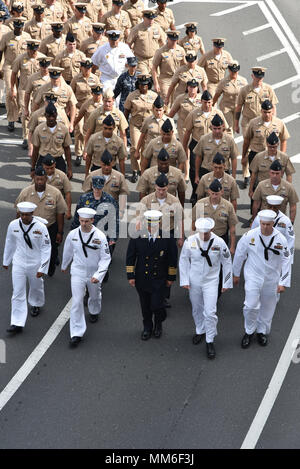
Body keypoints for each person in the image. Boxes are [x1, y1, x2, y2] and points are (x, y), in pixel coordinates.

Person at [233, 209, 290, 348]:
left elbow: (286, 259)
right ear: (260, 222)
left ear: (273, 224)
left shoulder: (280, 239)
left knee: (268, 307)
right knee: (250, 305)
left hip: (272, 278)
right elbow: (240, 254)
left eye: (268, 224)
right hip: (253, 275)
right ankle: (249, 331)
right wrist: (235, 274)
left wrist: (283, 282)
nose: (265, 227)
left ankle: (261, 331)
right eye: (263, 224)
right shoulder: (249, 236)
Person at [179, 217, 233, 359]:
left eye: (206, 233)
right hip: (194, 280)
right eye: (201, 233)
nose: (204, 236)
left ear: (211, 230)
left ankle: (210, 340)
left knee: (210, 312)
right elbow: (183, 260)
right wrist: (184, 280)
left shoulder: (219, 242)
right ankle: (200, 330)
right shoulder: (190, 241)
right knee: (197, 308)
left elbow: (227, 262)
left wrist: (226, 282)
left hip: (211, 281)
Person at [61, 207, 111, 347]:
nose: (83, 224)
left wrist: (99, 275)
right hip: (77, 271)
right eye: (82, 221)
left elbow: (106, 258)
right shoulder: (73, 234)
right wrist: (65, 265)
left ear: (92, 220)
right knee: (76, 301)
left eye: (86, 221)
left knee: (94, 295)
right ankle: (76, 333)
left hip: (93, 272)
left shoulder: (100, 236)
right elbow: (68, 251)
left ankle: (94, 310)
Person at [126, 209, 178, 340]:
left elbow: (172, 259)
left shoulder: (167, 238)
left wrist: (171, 278)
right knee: (145, 305)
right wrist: (130, 276)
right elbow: (130, 257)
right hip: (142, 277)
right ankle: (147, 327)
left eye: (154, 225)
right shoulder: (137, 236)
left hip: (159, 278)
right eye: (149, 225)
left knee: (156, 304)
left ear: (159, 224)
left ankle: (159, 323)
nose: (151, 227)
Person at [3, 201, 51, 334]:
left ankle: (36, 303)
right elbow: (10, 242)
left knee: (36, 286)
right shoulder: (13, 225)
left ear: (32, 214)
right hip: (18, 262)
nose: (24, 217)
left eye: (27, 215)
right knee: (17, 292)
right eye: (22, 214)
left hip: (35, 262)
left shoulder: (40, 227)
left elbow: (46, 247)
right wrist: (6, 261)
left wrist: (43, 268)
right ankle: (17, 323)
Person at [15, 166, 67, 277]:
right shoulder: (25, 192)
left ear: (46, 179)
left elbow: (60, 213)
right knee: (31, 251)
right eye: (37, 179)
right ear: (34, 178)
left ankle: (50, 267)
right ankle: (34, 270)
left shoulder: (55, 193)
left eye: (42, 179)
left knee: (51, 252)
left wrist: (60, 232)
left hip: (50, 228)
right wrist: (17, 229)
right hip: (30, 228)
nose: (39, 182)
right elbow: (19, 212)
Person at [235, 66, 279, 187]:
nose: (259, 80)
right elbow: (238, 107)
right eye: (256, 77)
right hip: (248, 122)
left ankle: (263, 173)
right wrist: (236, 124)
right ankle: (246, 175)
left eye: (261, 78)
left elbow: (273, 106)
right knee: (248, 148)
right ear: (252, 76)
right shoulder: (245, 90)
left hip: (265, 123)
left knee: (264, 147)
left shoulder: (268, 90)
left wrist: (273, 121)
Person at [182, 90, 229, 203]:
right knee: (194, 170)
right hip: (197, 144)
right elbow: (187, 132)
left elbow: (225, 130)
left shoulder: (218, 114)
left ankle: (212, 191)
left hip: (213, 146)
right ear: (201, 102)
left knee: (211, 169)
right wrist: (184, 150)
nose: (207, 104)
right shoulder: (194, 114)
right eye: (204, 102)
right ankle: (196, 192)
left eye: (209, 102)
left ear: (212, 102)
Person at [10, 38, 45, 149]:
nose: (32, 52)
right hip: (24, 89)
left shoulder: (42, 58)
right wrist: (13, 89)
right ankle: (26, 137)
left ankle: (37, 134)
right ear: (27, 48)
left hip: (38, 90)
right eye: (30, 49)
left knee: (38, 113)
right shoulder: (20, 58)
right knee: (26, 111)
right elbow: (14, 74)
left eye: (34, 50)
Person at [124, 74, 158, 182]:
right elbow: (126, 110)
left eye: (146, 85)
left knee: (145, 148)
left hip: (148, 126)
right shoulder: (132, 96)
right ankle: (135, 169)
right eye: (141, 85)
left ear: (149, 85)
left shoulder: (154, 96)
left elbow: (159, 110)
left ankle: (142, 169)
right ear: (138, 85)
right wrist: (124, 127)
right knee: (134, 147)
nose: (143, 87)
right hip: (136, 125)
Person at [242, 100, 290, 176]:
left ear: (272, 111)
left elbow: (283, 140)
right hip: (255, 154)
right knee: (255, 181)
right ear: (261, 111)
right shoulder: (253, 123)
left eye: (269, 112)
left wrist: (281, 156)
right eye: (265, 112)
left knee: (270, 180)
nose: (267, 115)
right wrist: (244, 156)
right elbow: (246, 141)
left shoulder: (279, 123)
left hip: (272, 155)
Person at [71, 175, 119, 250]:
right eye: (95, 187)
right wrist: (73, 233)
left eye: (99, 188)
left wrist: (113, 238)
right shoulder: (84, 198)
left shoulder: (110, 200)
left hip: (103, 235)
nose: (97, 190)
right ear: (92, 186)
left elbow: (114, 220)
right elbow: (77, 217)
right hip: (86, 233)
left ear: (103, 187)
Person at [0, 16, 31, 131]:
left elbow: (31, 53)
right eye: (17, 27)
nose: (19, 29)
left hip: (23, 66)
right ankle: (11, 119)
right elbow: (0, 52)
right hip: (9, 65)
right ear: (14, 26)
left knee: (21, 92)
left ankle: (18, 113)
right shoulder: (6, 37)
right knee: (10, 92)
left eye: (21, 27)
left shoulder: (27, 37)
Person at [192, 179, 238, 255]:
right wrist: (192, 242)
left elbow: (232, 228)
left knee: (220, 263)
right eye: (212, 193)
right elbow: (193, 223)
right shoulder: (200, 204)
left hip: (220, 238)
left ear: (222, 192)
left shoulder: (228, 206)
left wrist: (232, 246)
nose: (214, 196)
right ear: (209, 191)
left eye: (216, 194)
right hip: (203, 238)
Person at [138, 173, 184, 247]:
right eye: (159, 189)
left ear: (167, 187)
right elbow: (139, 219)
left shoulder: (174, 201)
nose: (161, 192)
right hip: (150, 233)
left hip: (168, 233)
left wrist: (181, 238)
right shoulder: (146, 200)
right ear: (155, 186)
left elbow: (180, 219)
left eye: (164, 190)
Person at [70, 56, 101, 166]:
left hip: (91, 108)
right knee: (79, 128)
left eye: (89, 67)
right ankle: (79, 153)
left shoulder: (95, 79)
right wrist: (70, 109)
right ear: (81, 68)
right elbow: (71, 94)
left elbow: (99, 94)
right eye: (85, 67)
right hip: (79, 106)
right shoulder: (76, 79)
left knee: (90, 129)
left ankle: (89, 151)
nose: (87, 69)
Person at [251, 195, 295, 271]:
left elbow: (290, 240)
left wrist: (289, 259)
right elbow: (252, 234)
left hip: (277, 254)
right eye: (270, 206)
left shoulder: (285, 220)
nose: (272, 209)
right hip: (260, 253)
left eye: (275, 207)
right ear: (267, 205)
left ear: (279, 207)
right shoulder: (259, 217)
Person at [249, 132, 295, 200]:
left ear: (278, 144)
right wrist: (251, 190)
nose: (272, 149)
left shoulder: (284, 157)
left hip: (277, 190)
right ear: (267, 144)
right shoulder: (259, 157)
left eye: (274, 147)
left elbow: (289, 174)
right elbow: (253, 174)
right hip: (261, 189)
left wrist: (288, 190)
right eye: (270, 147)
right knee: (256, 209)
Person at [82, 149, 129, 217]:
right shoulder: (92, 176)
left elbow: (123, 194)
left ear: (112, 163)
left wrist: (121, 211)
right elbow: (86, 194)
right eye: (104, 165)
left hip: (113, 209)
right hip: (96, 209)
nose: (106, 167)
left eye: (108, 165)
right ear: (101, 163)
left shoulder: (119, 176)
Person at [31, 102, 73, 178]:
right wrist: (33, 168)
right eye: (48, 116)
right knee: (40, 184)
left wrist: (69, 168)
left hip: (58, 160)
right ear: (45, 116)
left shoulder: (63, 129)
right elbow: (35, 150)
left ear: (56, 115)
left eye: (53, 116)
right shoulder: (39, 129)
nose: (51, 118)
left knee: (60, 185)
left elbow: (67, 149)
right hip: (43, 160)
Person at [194, 113, 238, 183]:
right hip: (206, 172)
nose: (217, 131)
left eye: (219, 128)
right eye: (215, 128)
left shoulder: (229, 140)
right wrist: (196, 175)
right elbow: (198, 157)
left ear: (223, 127)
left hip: (224, 174)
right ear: (211, 127)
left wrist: (234, 176)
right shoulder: (204, 139)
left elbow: (234, 158)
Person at [33, 65, 77, 134]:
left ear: (61, 75)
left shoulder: (67, 89)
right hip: (46, 118)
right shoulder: (43, 88)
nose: (55, 80)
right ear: (50, 76)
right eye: (53, 78)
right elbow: (36, 104)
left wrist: (71, 123)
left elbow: (72, 106)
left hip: (61, 119)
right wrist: (34, 120)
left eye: (57, 77)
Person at [126, 9, 166, 75]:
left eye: (152, 19)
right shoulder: (136, 29)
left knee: (157, 80)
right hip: (141, 60)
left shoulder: (157, 28)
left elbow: (162, 43)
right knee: (143, 80)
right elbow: (128, 45)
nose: (151, 21)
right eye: (149, 19)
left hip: (154, 59)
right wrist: (130, 59)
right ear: (143, 18)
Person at [212, 60, 247, 134]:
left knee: (234, 129)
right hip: (226, 108)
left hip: (237, 108)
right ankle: (230, 144)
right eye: (232, 71)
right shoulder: (223, 82)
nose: (234, 73)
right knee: (229, 129)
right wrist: (211, 106)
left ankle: (228, 142)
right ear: (229, 70)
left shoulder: (243, 81)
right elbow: (217, 95)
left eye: (236, 71)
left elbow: (246, 96)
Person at [152, 29, 185, 105]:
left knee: (176, 101)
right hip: (165, 79)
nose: (174, 42)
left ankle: (171, 116)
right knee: (166, 100)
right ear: (167, 39)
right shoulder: (161, 51)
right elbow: (154, 68)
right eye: (172, 40)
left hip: (177, 79)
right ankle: (165, 115)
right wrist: (156, 83)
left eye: (175, 40)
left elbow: (184, 65)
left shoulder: (181, 50)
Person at [168, 78, 202, 145]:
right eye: (190, 87)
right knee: (186, 145)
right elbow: (172, 113)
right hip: (184, 126)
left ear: (197, 88)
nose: (192, 89)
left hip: (197, 126)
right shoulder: (181, 98)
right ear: (187, 87)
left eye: (194, 87)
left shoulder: (202, 98)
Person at [42, 154, 72, 220]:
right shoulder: (39, 176)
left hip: (58, 205)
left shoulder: (62, 175)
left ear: (55, 164)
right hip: (42, 205)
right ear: (43, 166)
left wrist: (68, 211)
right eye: (47, 168)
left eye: (52, 168)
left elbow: (67, 193)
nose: (49, 170)